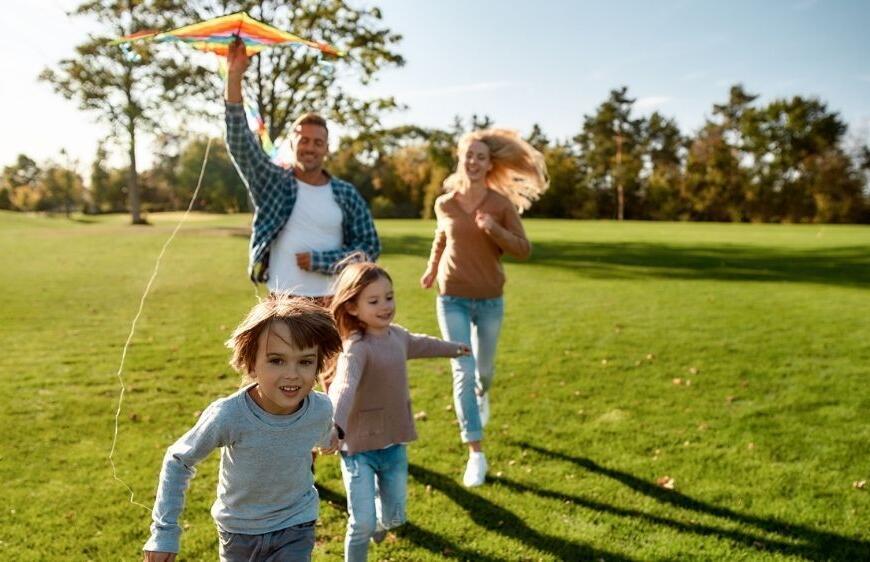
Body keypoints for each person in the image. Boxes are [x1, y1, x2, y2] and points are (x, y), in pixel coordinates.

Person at [142, 295, 343, 562]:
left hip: (296, 524)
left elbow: (319, 432)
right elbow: (179, 460)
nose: (292, 374)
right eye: (277, 360)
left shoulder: (320, 408)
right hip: (239, 533)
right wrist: (164, 532)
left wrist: (329, 439)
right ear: (251, 365)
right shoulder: (229, 415)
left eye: (305, 361)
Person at [420, 128, 548, 487]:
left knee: (483, 372)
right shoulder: (444, 203)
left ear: (489, 165)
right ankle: (476, 453)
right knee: (463, 370)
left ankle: (484, 391)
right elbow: (441, 237)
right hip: (452, 298)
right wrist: (431, 269)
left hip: (490, 300)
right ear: (460, 159)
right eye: (468, 156)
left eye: (481, 157)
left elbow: (523, 248)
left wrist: (494, 230)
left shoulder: (500, 204)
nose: (473, 162)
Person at [327, 262, 469, 562]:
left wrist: (455, 348)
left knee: (394, 519)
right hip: (358, 448)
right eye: (374, 301)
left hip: (393, 444)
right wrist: (335, 426)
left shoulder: (398, 336)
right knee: (361, 522)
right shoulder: (356, 348)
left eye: (389, 297)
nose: (385, 306)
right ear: (352, 307)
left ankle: (380, 520)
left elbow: (423, 344)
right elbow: (344, 386)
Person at [224, 39, 380, 303]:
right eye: (303, 140)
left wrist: (322, 261)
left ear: (326, 148)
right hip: (283, 300)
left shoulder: (345, 193)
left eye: (318, 142)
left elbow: (370, 247)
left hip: (336, 300)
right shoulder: (273, 182)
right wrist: (234, 75)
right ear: (292, 144)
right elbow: (240, 140)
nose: (310, 147)